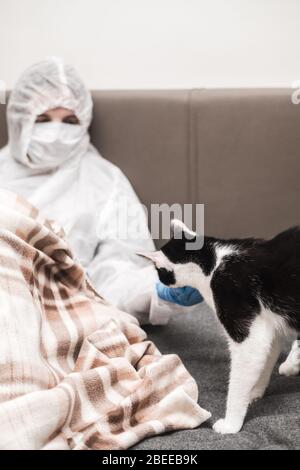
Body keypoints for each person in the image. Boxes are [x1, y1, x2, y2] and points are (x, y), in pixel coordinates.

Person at [0, 57, 203, 325]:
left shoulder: (105, 181)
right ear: (19, 121)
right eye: (43, 119)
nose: (56, 131)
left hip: (61, 305)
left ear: (84, 122)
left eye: (70, 120)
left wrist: (158, 292)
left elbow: (116, 268)